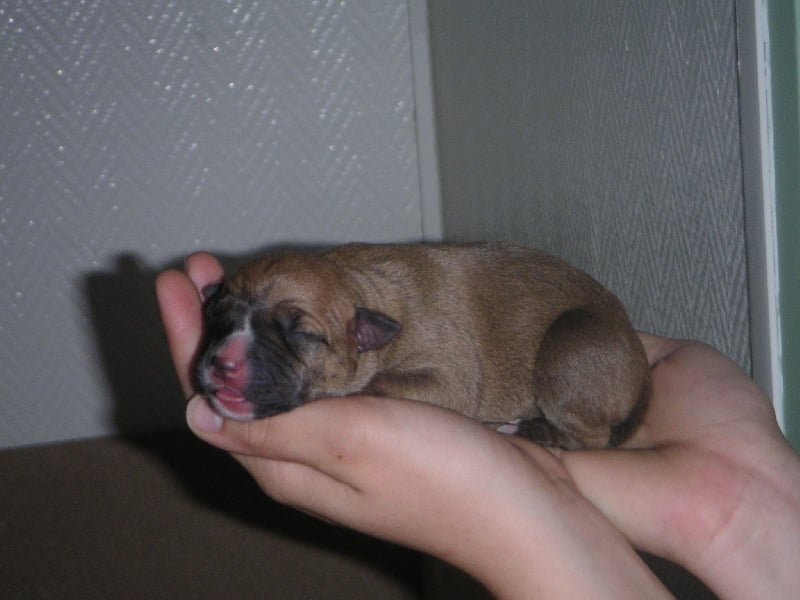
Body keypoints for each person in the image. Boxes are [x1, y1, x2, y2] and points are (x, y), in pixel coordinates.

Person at [156, 252, 800, 599]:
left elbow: (450, 388)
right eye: (227, 320)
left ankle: (576, 428)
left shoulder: (402, 328)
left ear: (367, 337)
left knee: (571, 373)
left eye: (294, 338)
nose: (227, 363)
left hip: (580, 345)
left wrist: (507, 518)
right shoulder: (344, 304)